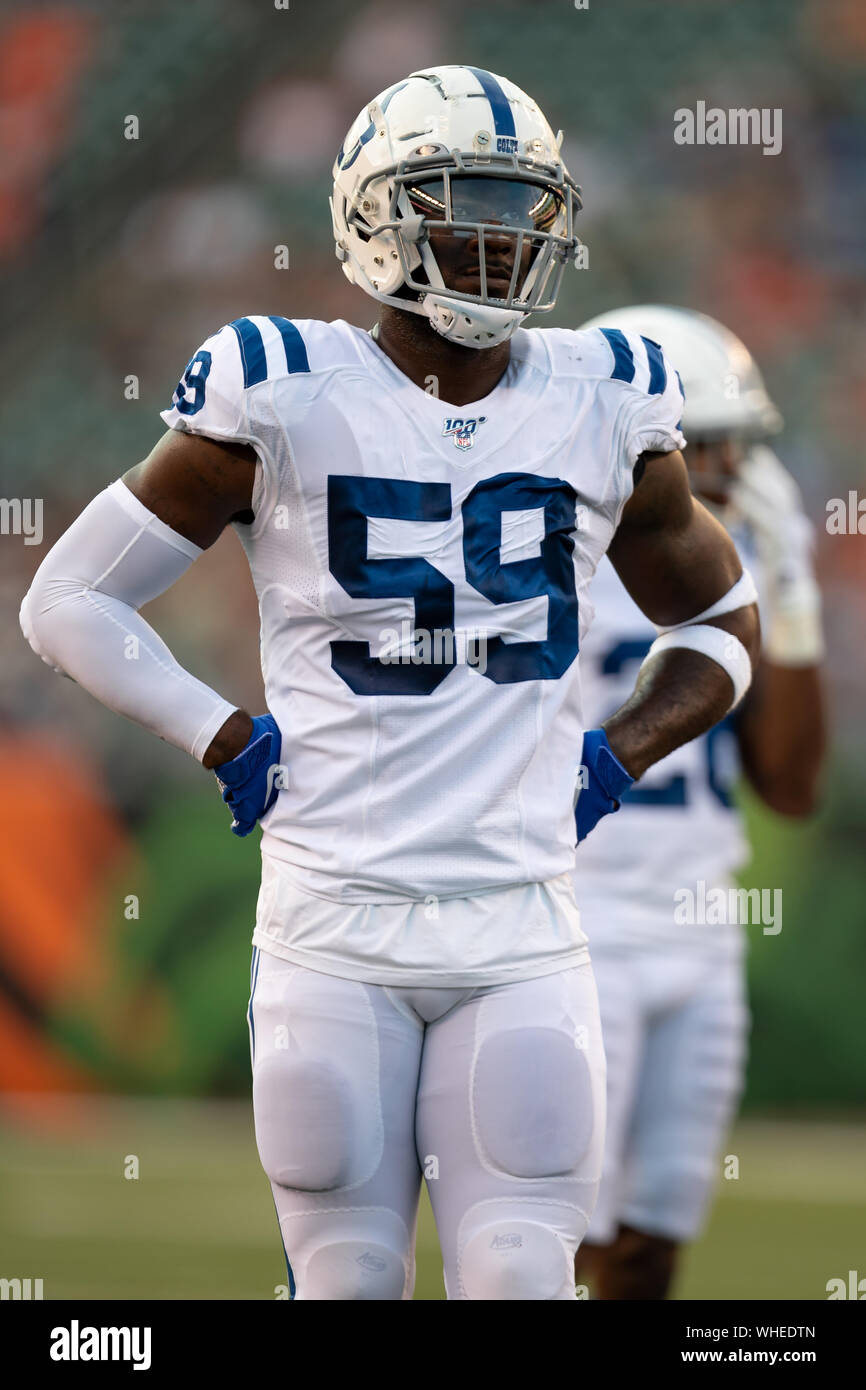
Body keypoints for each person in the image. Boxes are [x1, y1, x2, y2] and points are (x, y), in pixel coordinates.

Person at [20, 68, 758, 1300]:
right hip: (332, 929)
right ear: (376, 212)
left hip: (521, 923)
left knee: (524, 1281)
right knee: (349, 1281)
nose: (499, 234)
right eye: (463, 197)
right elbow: (67, 599)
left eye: (521, 204)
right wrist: (219, 733)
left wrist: (616, 752)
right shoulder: (279, 386)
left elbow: (724, 622)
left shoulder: (604, 392)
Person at [572, 305, 826, 1300]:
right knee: (555, 1235)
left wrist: (790, 587)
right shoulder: (546, 560)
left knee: (651, 1243)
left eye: (734, 443)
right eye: (703, 442)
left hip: (700, 931)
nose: (725, 467)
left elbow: (792, 784)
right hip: (580, 920)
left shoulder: (738, 567)